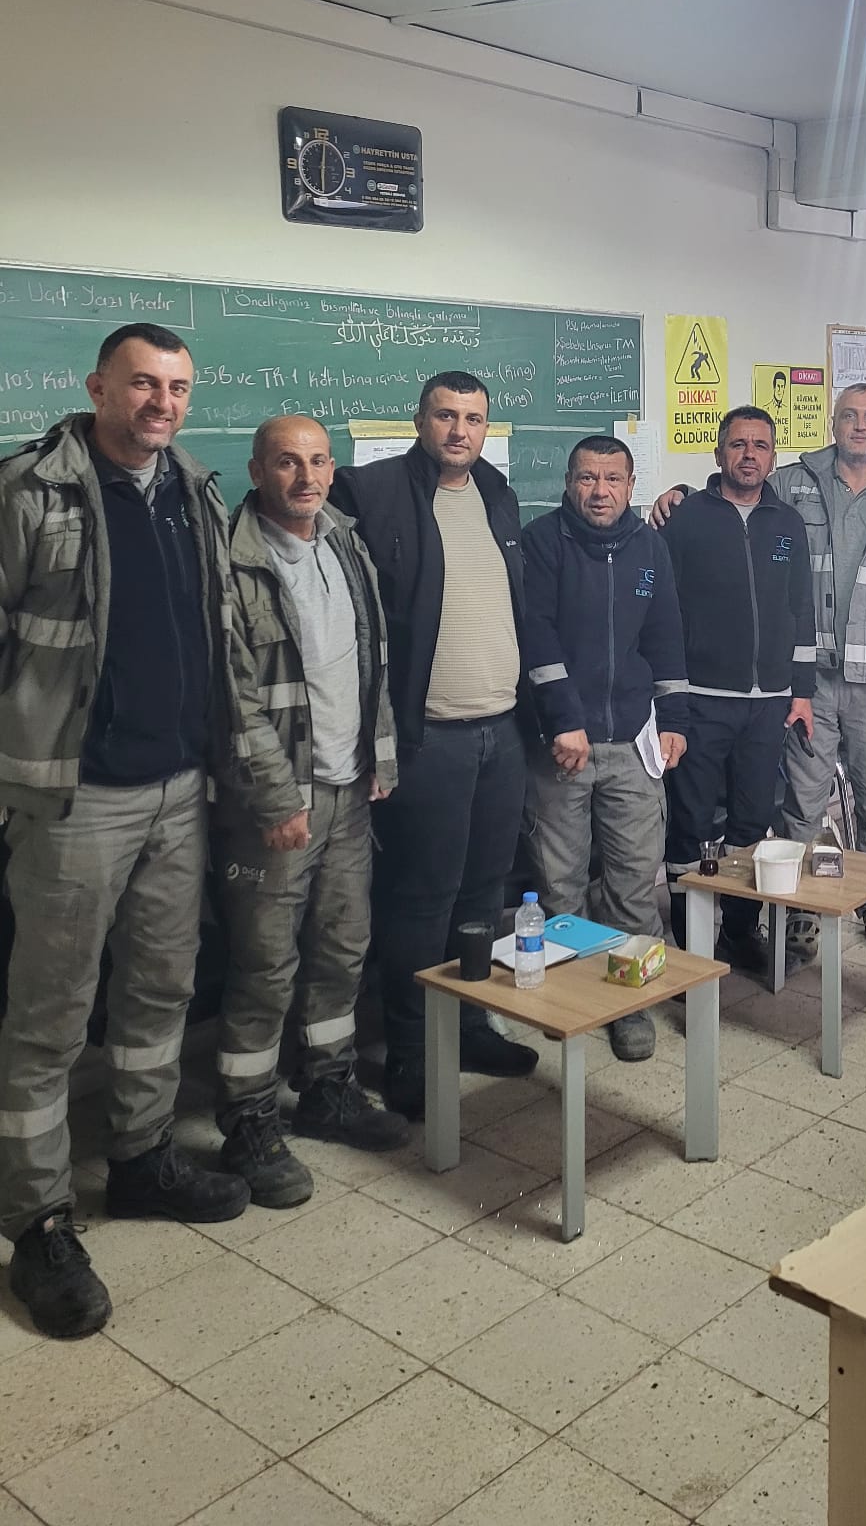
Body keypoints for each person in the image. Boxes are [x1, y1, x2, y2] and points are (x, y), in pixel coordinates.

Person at [0, 324, 252, 1340]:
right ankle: (38, 1221)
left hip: (178, 789)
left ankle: (142, 1158)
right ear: (99, 386)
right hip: (75, 797)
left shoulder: (193, 491)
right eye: (144, 383)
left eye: (178, 387)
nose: (162, 402)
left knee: (160, 987)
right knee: (51, 1014)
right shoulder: (31, 491)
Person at [654, 381, 866, 962]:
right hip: (786, 688)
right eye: (850, 415)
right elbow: (731, 496)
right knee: (799, 809)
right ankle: (797, 914)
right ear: (833, 423)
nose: (859, 426)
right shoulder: (795, 484)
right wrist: (678, 494)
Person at [331, 371, 537, 1120]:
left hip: (502, 731)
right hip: (429, 738)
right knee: (421, 898)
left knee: (486, 891)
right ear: (419, 421)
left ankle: (471, 1025)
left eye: (473, 419)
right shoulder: (371, 491)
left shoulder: (499, 495)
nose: (460, 431)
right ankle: (412, 1052)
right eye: (446, 416)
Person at [214, 417, 407, 1207]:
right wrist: (275, 795)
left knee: (342, 949)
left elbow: (371, 660)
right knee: (265, 967)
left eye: (319, 461)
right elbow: (230, 697)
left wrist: (378, 760)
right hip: (278, 800)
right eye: (288, 463)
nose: (306, 477)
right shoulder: (232, 560)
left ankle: (328, 1088)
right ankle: (248, 1120)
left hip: (349, 790)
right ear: (257, 470)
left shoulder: (344, 541)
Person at [521, 435, 688, 1061]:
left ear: (630, 485)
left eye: (612, 479)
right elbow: (535, 636)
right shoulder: (541, 542)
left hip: (634, 743)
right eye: (588, 478)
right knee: (560, 884)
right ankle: (569, 996)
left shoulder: (650, 546)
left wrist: (674, 719)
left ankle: (628, 1001)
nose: (600, 491)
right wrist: (565, 720)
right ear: (569, 483)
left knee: (634, 884)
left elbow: (666, 635)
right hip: (563, 746)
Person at [658, 407, 816, 973]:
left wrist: (801, 691)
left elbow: (801, 609)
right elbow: (664, 612)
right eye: (739, 444)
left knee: (750, 824)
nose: (749, 455)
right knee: (691, 824)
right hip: (701, 699)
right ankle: (692, 942)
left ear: (772, 456)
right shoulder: (686, 518)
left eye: (760, 446)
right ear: (719, 452)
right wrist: (671, 698)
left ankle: (741, 930)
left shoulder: (788, 523)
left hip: (767, 704)